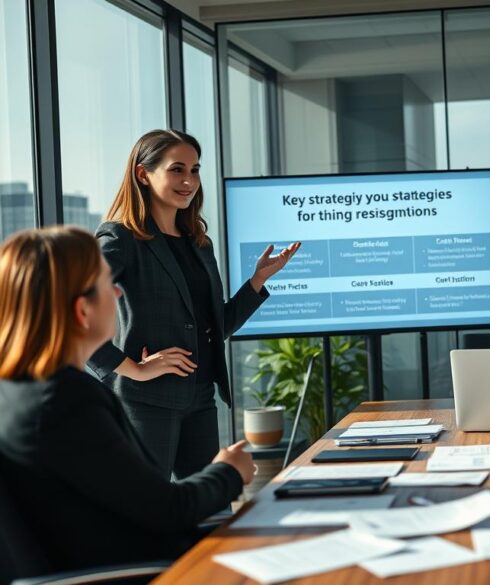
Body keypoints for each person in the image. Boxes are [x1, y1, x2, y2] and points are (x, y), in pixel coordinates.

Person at [0, 227, 254, 575]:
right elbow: (168, 510)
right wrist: (229, 470)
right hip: (145, 572)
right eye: (108, 284)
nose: (119, 291)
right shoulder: (66, 402)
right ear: (82, 311)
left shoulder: (16, 391)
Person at [87, 129, 300, 480]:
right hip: (145, 403)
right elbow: (67, 312)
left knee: (209, 509)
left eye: (195, 170)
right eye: (177, 170)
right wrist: (133, 368)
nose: (189, 181)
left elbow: (218, 326)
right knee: (145, 512)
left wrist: (257, 282)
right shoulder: (120, 239)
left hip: (200, 399)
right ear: (143, 174)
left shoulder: (199, 243)